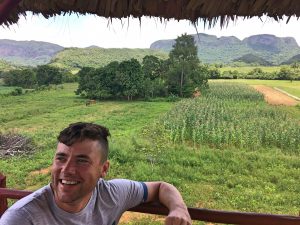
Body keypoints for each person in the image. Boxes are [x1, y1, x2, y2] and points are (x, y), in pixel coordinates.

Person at [0, 122, 191, 225]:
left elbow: (160, 187)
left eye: (82, 161)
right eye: (61, 158)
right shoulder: (22, 218)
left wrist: (179, 208)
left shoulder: (112, 194)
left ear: (103, 169)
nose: (67, 170)